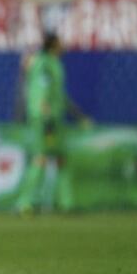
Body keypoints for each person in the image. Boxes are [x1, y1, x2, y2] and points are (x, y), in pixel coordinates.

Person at [15, 33, 90, 214]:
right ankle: (26, 203)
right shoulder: (44, 64)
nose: (64, 46)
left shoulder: (54, 64)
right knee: (40, 157)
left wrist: (78, 115)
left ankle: (66, 203)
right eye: (60, 43)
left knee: (61, 158)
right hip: (45, 118)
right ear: (53, 45)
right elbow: (42, 90)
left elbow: (58, 94)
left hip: (55, 118)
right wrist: (45, 113)